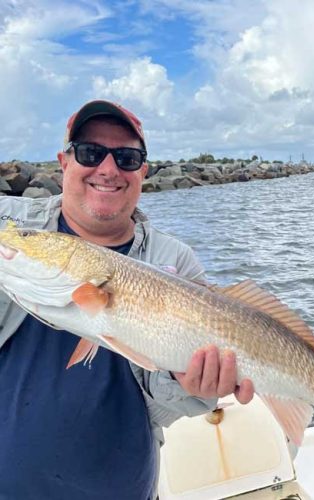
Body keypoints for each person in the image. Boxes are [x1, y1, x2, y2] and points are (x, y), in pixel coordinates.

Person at [0, 100, 254, 499]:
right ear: (63, 163)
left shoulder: (175, 260)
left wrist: (191, 385)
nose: (107, 169)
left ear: (143, 172)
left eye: (126, 158)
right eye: (90, 153)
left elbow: (180, 403)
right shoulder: (13, 228)